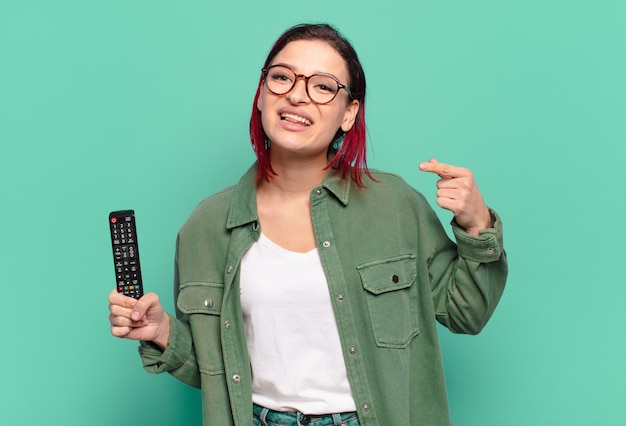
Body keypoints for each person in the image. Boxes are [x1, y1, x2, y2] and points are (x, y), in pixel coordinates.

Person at [108, 23, 508, 426]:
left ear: (349, 113)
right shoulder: (207, 225)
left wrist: (476, 226)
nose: (297, 94)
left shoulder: (396, 205)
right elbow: (218, 372)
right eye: (281, 78)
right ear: (262, 95)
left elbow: (466, 314)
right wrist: (162, 332)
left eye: (322, 86)